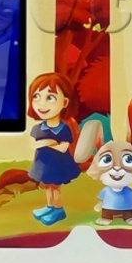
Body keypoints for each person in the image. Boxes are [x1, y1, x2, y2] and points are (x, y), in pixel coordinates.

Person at [26, 72, 81, 226]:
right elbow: (33, 144)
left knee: (55, 188)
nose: (41, 104)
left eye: (50, 98)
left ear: (64, 103)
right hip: (43, 164)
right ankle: (49, 206)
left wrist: (49, 143)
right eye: (36, 97)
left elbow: (64, 148)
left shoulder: (63, 128)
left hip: (58, 165)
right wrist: (47, 142)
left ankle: (58, 209)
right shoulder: (38, 128)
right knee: (47, 187)